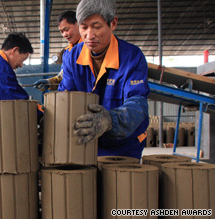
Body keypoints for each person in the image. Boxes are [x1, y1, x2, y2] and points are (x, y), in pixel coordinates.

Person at [58, 0, 150, 159]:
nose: (89, 35)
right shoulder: (72, 57)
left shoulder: (131, 57)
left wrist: (110, 120)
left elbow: (138, 102)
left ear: (113, 23)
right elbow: (65, 97)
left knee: (121, 183)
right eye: (84, 27)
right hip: (85, 142)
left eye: (97, 26)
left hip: (124, 145)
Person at [34, 10, 82, 92]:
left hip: (83, 97)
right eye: (62, 32)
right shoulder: (67, 52)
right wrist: (49, 82)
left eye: (66, 30)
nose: (64, 35)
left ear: (78, 24)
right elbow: (63, 76)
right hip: (67, 98)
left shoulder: (89, 48)